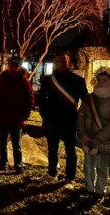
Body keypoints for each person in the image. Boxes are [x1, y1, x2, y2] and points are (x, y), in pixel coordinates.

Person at [39, 53, 88, 184]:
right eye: (58, 61)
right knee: (52, 149)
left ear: (68, 62)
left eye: (63, 61)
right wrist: (44, 116)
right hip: (52, 120)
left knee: (70, 150)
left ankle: (70, 177)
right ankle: (52, 173)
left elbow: (86, 101)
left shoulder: (78, 80)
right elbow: (42, 100)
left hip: (69, 121)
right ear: (55, 63)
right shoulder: (48, 80)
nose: (61, 63)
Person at [0, 56, 34, 174]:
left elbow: (30, 100)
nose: (11, 68)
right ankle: (3, 163)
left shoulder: (24, 81)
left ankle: (18, 165)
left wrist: (24, 117)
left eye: (14, 66)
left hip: (16, 119)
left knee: (16, 145)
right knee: (2, 144)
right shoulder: (0, 80)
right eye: (10, 65)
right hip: (2, 117)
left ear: (19, 67)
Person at [77, 70, 110, 203]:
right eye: (99, 79)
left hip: (104, 141)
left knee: (102, 166)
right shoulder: (89, 98)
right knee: (88, 165)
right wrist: (83, 134)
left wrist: (99, 139)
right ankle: (89, 188)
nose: (100, 83)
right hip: (88, 139)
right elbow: (81, 116)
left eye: (105, 80)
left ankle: (99, 191)